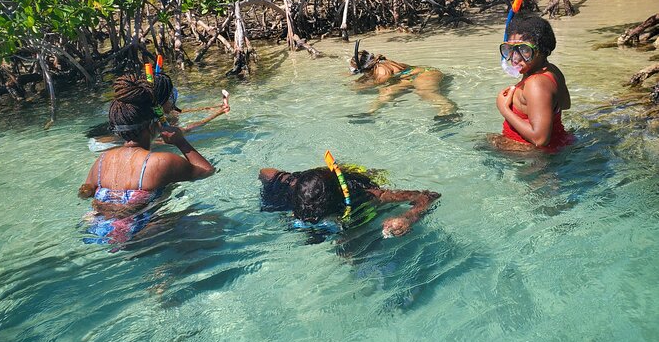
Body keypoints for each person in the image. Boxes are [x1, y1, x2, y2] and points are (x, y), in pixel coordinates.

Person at [78, 74, 215, 245]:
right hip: (137, 234)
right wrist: (180, 141)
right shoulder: (160, 162)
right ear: (153, 125)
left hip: (95, 230)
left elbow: (86, 192)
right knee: (215, 222)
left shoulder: (102, 161)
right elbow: (207, 171)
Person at [259, 158, 440, 238]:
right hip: (319, 182)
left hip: (352, 184)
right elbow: (265, 172)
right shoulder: (292, 187)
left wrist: (407, 218)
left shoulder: (366, 195)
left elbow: (427, 196)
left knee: (349, 251)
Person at [491, 13, 573, 151]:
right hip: (558, 145)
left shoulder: (536, 83)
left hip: (535, 159)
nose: (515, 58)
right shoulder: (553, 71)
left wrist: (504, 109)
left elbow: (540, 139)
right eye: (510, 49)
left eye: (524, 50)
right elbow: (565, 104)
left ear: (542, 50)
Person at [86, 72, 229, 151]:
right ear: (161, 101)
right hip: (103, 145)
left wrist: (213, 107)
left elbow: (177, 113)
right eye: (169, 98)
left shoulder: (147, 108)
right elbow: (184, 130)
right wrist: (219, 113)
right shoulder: (152, 120)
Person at [349, 40, 456, 116]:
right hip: (409, 78)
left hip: (425, 74)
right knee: (386, 92)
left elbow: (375, 83)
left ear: (365, 69)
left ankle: (448, 109)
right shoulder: (377, 66)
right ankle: (371, 113)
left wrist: (359, 86)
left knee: (424, 92)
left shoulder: (381, 71)